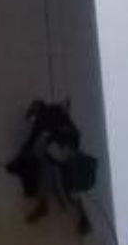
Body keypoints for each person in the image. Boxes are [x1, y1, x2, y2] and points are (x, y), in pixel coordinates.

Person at [5, 98, 96, 235]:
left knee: (49, 175)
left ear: (37, 110)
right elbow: (68, 122)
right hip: (69, 151)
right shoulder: (56, 112)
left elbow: (31, 141)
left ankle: (45, 206)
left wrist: (17, 161)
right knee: (65, 187)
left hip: (61, 151)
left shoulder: (43, 118)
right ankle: (82, 218)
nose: (33, 118)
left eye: (33, 114)